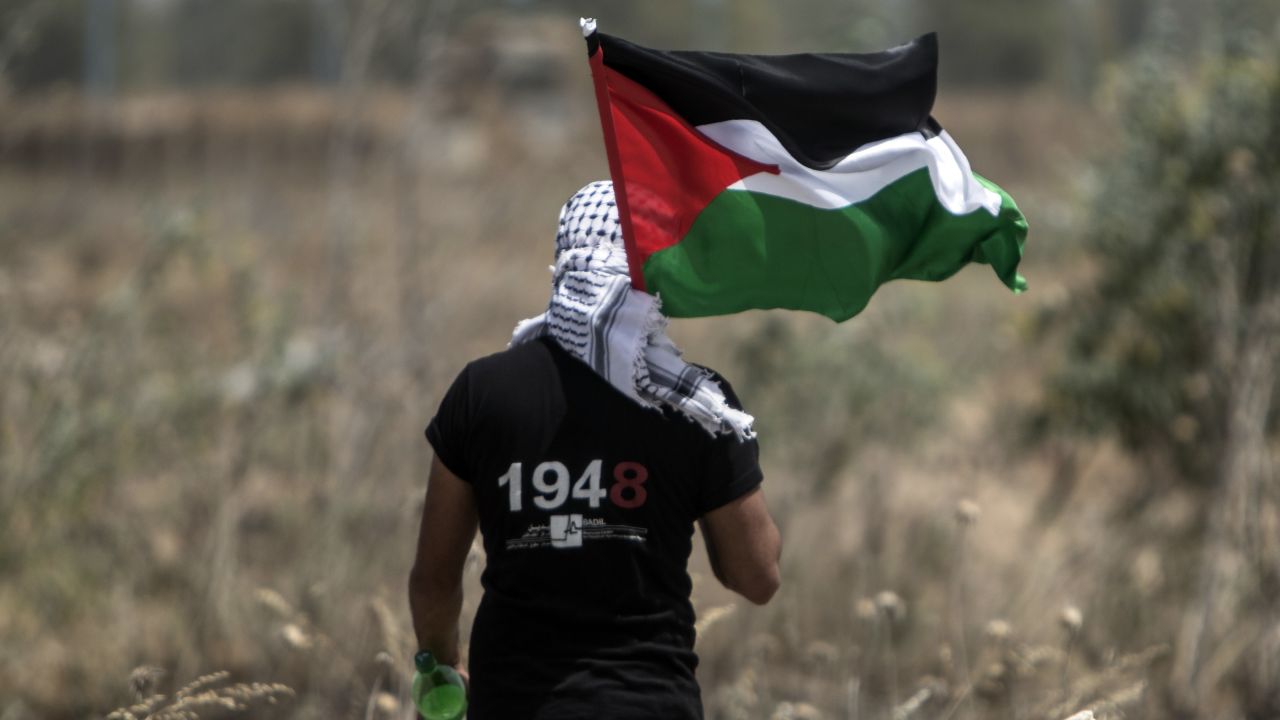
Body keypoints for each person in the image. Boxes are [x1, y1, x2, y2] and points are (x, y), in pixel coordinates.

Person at [408, 181, 781, 719]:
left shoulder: (482, 393)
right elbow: (758, 576)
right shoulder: (695, 405)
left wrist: (441, 669)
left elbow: (435, 577)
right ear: (657, 269)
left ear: (562, 260)